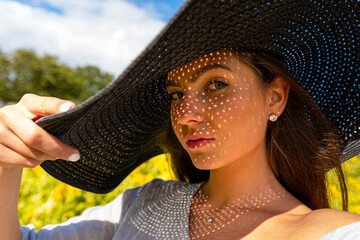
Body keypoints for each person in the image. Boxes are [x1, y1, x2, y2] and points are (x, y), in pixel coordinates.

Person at [1, 1, 360, 239]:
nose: (185, 115)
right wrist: (4, 166)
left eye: (216, 85)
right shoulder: (140, 206)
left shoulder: (333, 233)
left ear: (275, 97)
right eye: (176, 94)